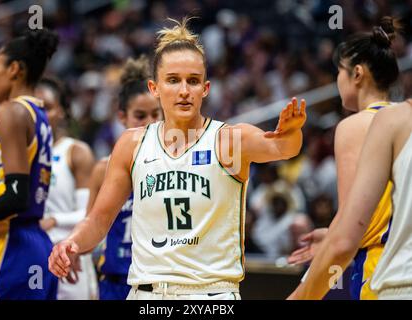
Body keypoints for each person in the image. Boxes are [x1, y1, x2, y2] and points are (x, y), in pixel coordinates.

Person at [49, 17, 306, 300]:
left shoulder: (230, 139)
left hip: (210, 296)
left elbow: (284, 148)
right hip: (146, 294)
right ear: (154, 88)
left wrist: (291, 132)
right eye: (173, 80)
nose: (184, 90)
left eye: (193, 81)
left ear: (205, 89)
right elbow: (98, 221)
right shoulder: (131, 144)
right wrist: (71, 242)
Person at [288, 17, 401, 300]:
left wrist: (302, 295)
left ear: (358, 74)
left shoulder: (355, 125)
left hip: (381, 270)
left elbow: (347, 234)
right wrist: (331, 234)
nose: (337, 80)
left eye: (339, 71)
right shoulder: (404, 120)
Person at [0, 29, 59, 299]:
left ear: (15, 69)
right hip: (34, 246)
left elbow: (16, 197)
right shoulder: (38, 116)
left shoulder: (11, 112)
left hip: (6, 250)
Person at [289, 99, 412, 300]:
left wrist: (301, 296)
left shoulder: (376, 122)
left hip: (390, 269)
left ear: (357, 73)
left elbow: (344, 242)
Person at [87, 56, 161, 300]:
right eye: (140, 116)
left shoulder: (175, 165)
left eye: (155, 114)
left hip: (159, 283)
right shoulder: (103, 168)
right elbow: (91, 227)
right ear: (122, 117)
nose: (149, 123)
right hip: (115, 281)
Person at [36, 77, 98, 300]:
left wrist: (54, 220)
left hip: (69, 254)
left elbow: (88, 214)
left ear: (61, 111)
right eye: (35, 109)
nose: (41, 115)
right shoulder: (21, 155)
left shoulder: (75, 152)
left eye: (48, 108)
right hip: (34, 253)